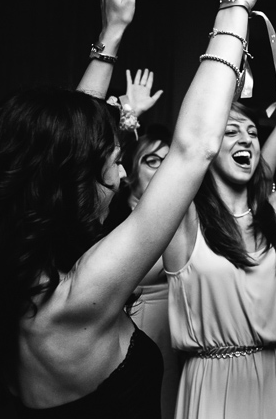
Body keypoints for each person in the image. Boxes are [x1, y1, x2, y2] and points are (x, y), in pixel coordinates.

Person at [0, 0, 276, 417]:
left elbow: (64, 141)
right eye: (113, 163)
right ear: (71, 183)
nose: (124, 171)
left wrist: (110, 39)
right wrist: (237, 1)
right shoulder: (78, 299)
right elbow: (194, 148)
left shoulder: (4, 281)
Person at [163, 8, 276, 418]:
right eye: (230, 131)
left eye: (251, 132)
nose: (245, 138)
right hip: (212, 387)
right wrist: (229, 23)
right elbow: (190, 137)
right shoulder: (183, 219)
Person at [103, 124, 180, 419]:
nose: (163, 169)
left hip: (179, 325)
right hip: (139, 324)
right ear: (131, 170)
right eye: (153, 161)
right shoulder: (112, 220)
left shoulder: (183, 215)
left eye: (168, 161)